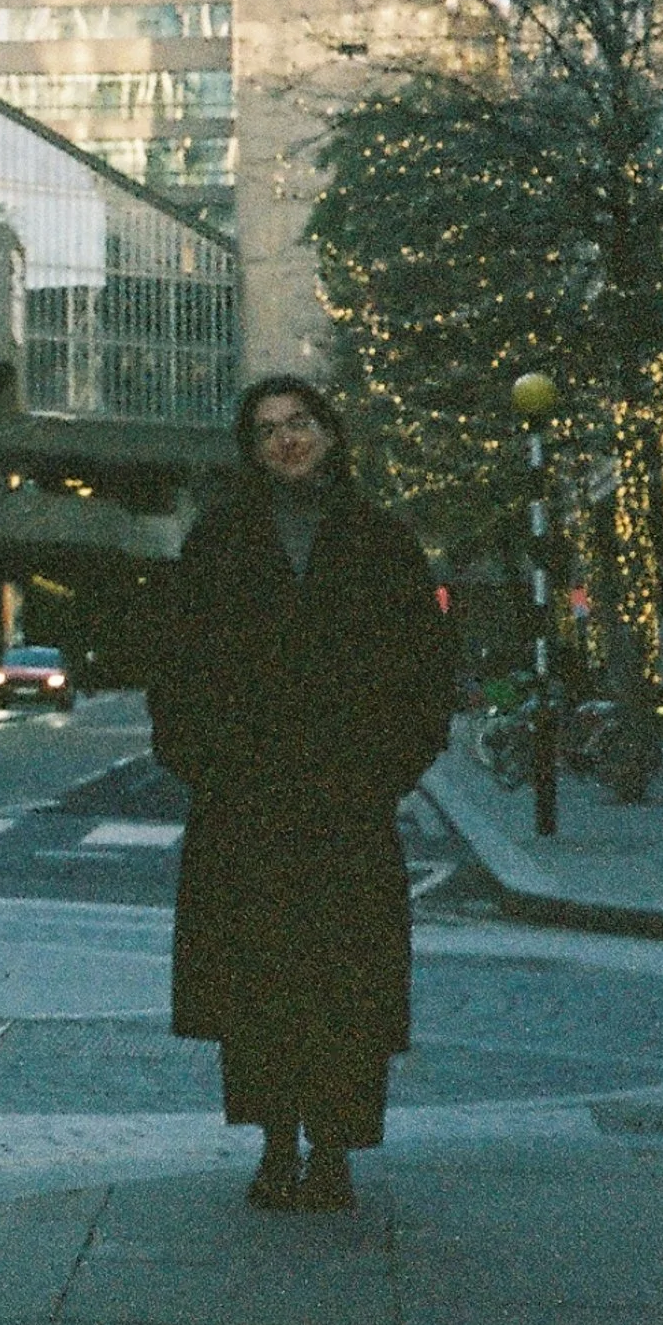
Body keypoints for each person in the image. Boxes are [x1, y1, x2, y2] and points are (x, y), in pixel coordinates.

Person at [150, 376, 453, 1215]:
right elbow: (175, 663)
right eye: (267, 429)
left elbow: (426, 669)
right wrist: (204, 763)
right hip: (246, 805)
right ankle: (276, 1143)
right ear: (249, 449)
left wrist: (384, 772)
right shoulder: (219, 540)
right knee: (260, 983)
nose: (286, 439)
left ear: (329, 430)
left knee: (343, 983)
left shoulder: (381, 540)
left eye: (300, 422)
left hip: (345, 805)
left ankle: (335, 1149)